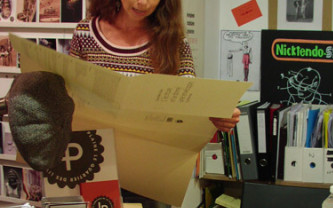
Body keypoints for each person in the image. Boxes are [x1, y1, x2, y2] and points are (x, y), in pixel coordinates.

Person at [69, 0, 240, 133]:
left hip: (151, 150)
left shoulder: (174, 40)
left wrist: (216, 113)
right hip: (98, 146)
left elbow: (188, 97)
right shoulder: (86, 32)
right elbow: (72, 91)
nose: (142, 2)